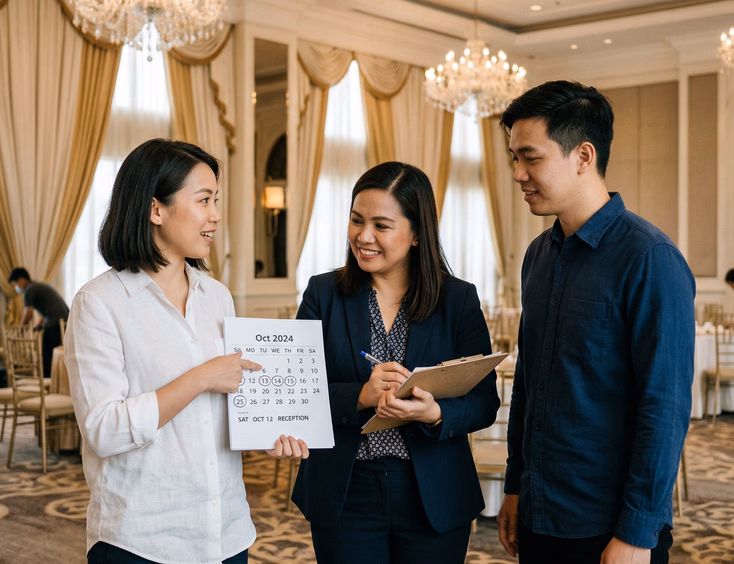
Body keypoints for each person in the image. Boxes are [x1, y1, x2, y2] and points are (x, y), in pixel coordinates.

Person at [65, 139, 308, 564]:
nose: (215, 215)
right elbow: (103, 430)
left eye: (215, 200)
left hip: (226, 530)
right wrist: (200, 378)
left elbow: (220, 412)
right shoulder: (99, 303)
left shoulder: (217, 296)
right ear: (155, 209)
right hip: (142, 537)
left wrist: (264, 430)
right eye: (203, 200)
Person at [496, 80, 695, 564]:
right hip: (540, 512)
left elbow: (663, 408)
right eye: (513, 159)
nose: (518, 174)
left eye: (531, 157)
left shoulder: (650, 258)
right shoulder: (538, 255)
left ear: (583, 156)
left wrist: (637, 533)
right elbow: (529, 384)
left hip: (609, 525)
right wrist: (515, 486)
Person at [292, 161, 501, 564]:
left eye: (381, 225)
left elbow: (484, 401)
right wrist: (361, 396)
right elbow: (299, 394)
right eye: (356, 220)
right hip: (346, 490)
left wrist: (435, 412)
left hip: (433, 492)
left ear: (418, 233)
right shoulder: (323, 294)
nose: (363, 236)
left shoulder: (457, 300)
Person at [8, 267, 69, 379]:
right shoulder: (37, 286)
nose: (16, 286)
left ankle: (47, 383)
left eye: (15, 283)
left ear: (21, 279)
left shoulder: (29, 290)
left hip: (55, 323)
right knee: (56, 355)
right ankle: (55, 382)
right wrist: (38, 325)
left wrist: (19, 331)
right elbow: (44, 311)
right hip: (64, 322)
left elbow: (28, 314)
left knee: (47, 356)